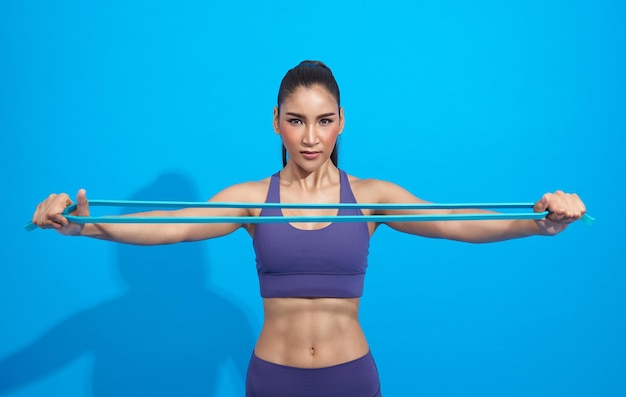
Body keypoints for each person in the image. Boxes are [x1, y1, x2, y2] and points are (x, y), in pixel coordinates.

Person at [31, 60, 587, 397]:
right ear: (277, 122)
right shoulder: (252, 199)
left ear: (341, 122)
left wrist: (540, 222)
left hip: (352, 380)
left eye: (324, 121)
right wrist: (85, 226)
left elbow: (454, 223)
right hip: (274, 381)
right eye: (296, 121)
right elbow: (175, 226)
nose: (311, 137)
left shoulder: (371, 197)